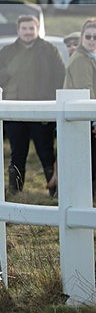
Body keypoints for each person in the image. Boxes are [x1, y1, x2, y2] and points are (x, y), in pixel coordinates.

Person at [0, 15, 65, 195]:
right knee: (17, 154)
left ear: (37, 29)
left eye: (31, 28)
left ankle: (56, 192)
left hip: (43, 111)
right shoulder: (7, 52)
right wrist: (9, 70)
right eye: (24, 28)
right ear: (18, 30)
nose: (28, 32)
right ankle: (15, 192)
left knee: (46, 153)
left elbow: (61, 77)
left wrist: (53, 104)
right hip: (14, 111)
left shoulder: (49, 50)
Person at [63, 18, 96, 192]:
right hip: (85, 120)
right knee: (88, 164)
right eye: (88, 36)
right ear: (82, 37)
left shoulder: (90, 57)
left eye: (95, 37)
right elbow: (87, 91)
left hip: (86, 119)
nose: (91, 40)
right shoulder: (81, 59)